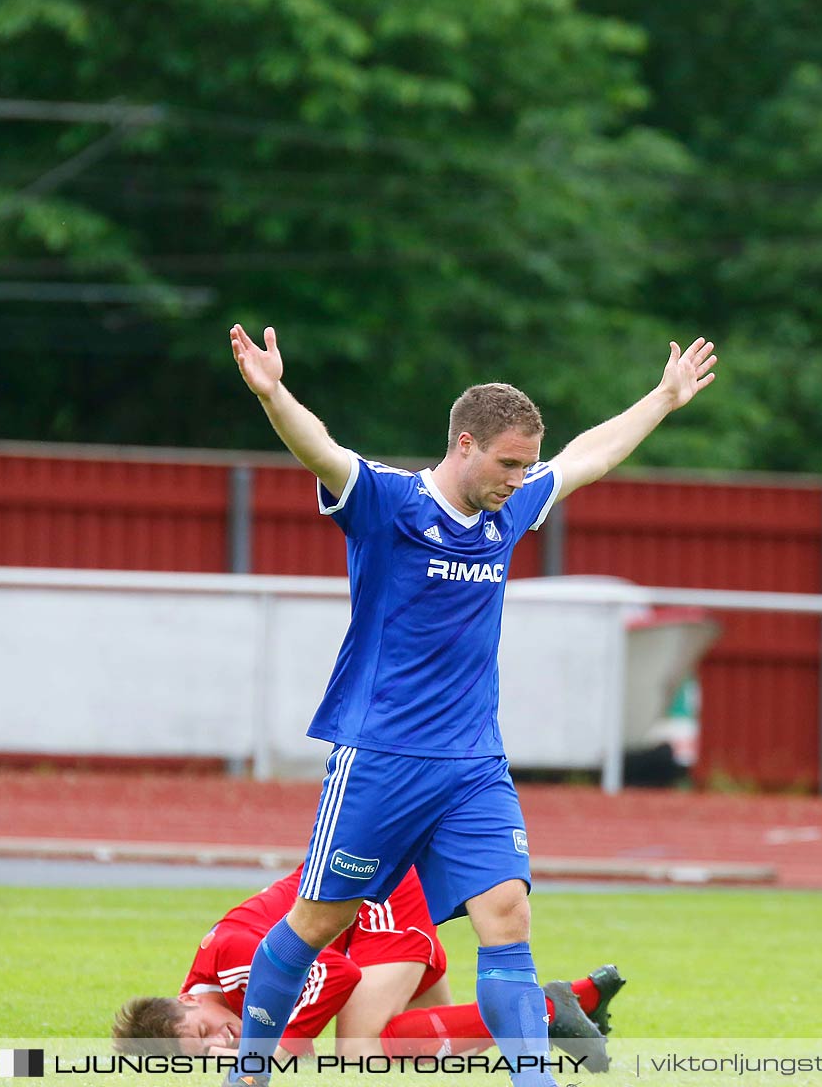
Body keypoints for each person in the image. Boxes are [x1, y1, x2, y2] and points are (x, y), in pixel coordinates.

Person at [225, 322, 715, 1087]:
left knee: (508, 915)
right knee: (319, 923)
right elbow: (320, 450)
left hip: (473, 765)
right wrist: (274, 393)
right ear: (463, 445)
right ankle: (248, 1072)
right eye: (508, 464)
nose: (520, 480)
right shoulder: (388, 503)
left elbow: (588, 456)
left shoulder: (507, 511)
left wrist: (662, 396)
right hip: (381, 757)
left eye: (526, 466)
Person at [110, 865, 623, 1063]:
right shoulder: (205, 995)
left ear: (186, 1001)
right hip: (363, 922)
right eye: (203, 1055)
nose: (220, 1042)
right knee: (429, 1058)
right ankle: (582, 1000)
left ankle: (547, 1009)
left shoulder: (233, 960)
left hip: (379, 904)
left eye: (204, 1033)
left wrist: (282, 1049)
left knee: (359, 1051)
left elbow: (336, 975)